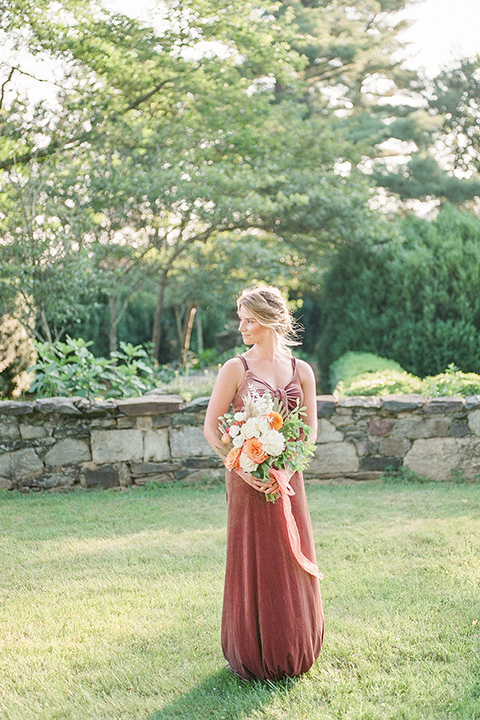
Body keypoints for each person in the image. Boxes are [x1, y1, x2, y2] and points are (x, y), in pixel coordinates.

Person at [203, 285, 324, 682]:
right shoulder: (235, 368)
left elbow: (308, 431)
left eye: (249, 319)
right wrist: (245, 471)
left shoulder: (301, 370)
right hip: (247, 482)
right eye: (240, 318)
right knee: (255, 557)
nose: (241, 327)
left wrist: (286, 472)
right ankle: (253, 652)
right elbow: (211, 429)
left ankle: (294, 647)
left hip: (288, 480)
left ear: (272, 321)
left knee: (290, 556)